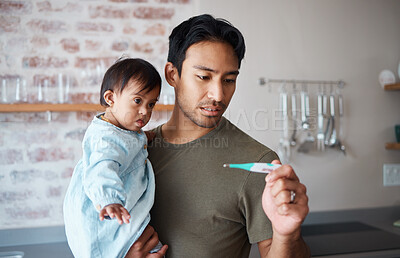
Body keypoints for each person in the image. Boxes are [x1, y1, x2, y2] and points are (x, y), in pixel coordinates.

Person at [128, 14, 310, 257]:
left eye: (229, 80)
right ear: (172, 75)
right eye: (204, 77)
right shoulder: (132, 151)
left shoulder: (258, 164)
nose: (218, 94)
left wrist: (288, 235)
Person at [63, 57, 167, 258]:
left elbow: (126, 144)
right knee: (129, 246)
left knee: (148, 243)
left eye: (151, 104)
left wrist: (144, 137)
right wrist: (109, 200)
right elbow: (101, 168)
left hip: (117, 209)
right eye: (138, 101)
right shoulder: (105, 138)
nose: (145, 111)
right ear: (110, 98)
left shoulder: (121, 130)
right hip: (106, 209)